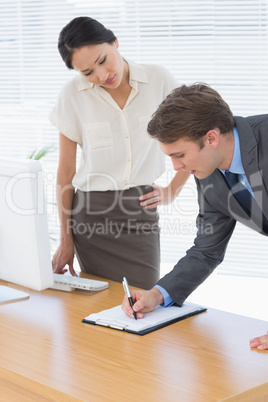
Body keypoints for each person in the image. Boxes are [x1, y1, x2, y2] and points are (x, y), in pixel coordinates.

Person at [122, 83, 268, 350]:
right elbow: (207, 251)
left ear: (211, 138)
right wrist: (157, 294)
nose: (177, 167)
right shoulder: (208, 171)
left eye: (179, 155)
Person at [49, 16, 190, 289]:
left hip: (139, 211)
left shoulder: (158, 80)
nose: (101, 76)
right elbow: (66, 171)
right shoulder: (72, 96)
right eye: (87, 72)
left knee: (143, 302)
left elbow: (192, 138)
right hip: (90, 216)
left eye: (103, 60)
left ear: (115, 43)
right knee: (96, 307)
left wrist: (171, 191)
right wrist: (66, 240)